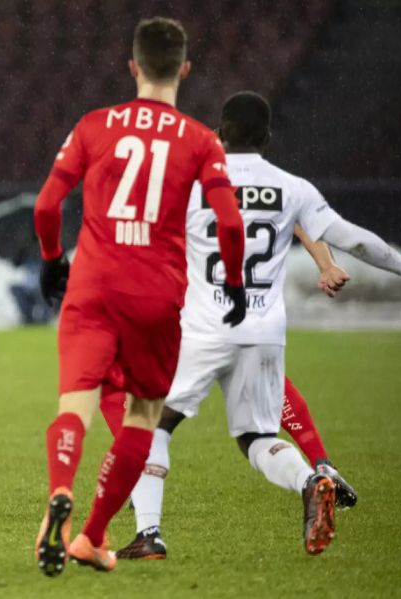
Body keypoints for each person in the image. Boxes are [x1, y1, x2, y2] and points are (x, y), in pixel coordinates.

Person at [114, 91, 401, 559]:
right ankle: (311, 479)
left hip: (204, 326)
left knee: (152, 422)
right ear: (268, 136)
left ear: (220, 132)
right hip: (263, 331)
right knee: (257, 438)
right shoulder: (292, 188)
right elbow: (354, 239)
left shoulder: (191, 184)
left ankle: (149, 534)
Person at [33, 17, 247, 576]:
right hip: (155, 295)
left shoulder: (95, 125)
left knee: (74, 406)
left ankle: (60, 492)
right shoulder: (202, 140)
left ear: (132, 67)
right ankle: (92, 537)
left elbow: (47, 206)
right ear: (184, 69)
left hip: (94, 284)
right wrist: (235, 282)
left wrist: (53, 261)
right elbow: (229, 224)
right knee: (143, 414)